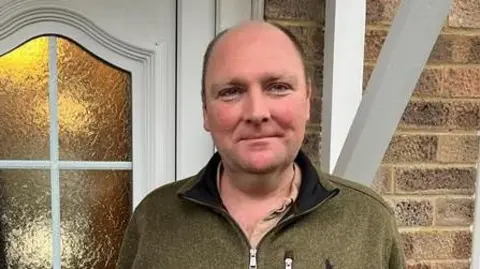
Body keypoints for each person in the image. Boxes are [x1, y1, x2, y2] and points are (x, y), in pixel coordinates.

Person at [115, 20, 406, 269]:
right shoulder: (154, 218)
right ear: (206, 112)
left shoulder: (368, 222)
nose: (256, 112)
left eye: (278, 87)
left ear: (308, 103)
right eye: (231, 92)